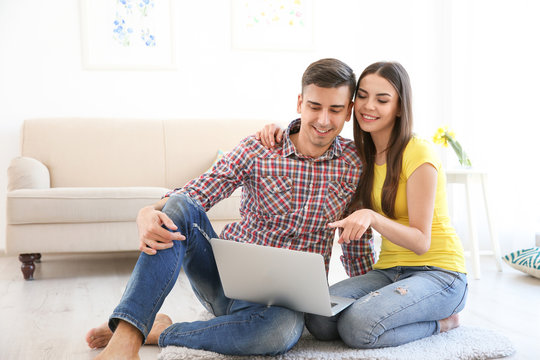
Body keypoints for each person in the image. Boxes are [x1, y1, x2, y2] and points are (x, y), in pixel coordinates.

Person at [85, 58, 375, 359]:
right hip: (224, 283)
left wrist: (370, 301)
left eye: (336, 109)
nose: (324, 120)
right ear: (300, 103)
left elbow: (358, 246)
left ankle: (156, 329)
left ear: (350, 111)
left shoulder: (356, 166)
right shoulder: (260, 148)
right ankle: (128, 337)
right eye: (315, 106)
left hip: (285, 306)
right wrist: (146, 211)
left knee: (282, 332)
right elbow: (195, 194)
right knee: (180, 208)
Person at [257, 61, 468, 348]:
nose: (369, 106)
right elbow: (313, 132)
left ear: (400, 107)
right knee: (318, 317)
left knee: (359, 327)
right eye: (364, 96)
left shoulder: (418, 151)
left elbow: (421, 242)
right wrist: (280, 131)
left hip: (438, 273)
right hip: (388, 271)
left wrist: (373, 217)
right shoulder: (361, 156)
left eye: (382, 100)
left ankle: (443, 322)